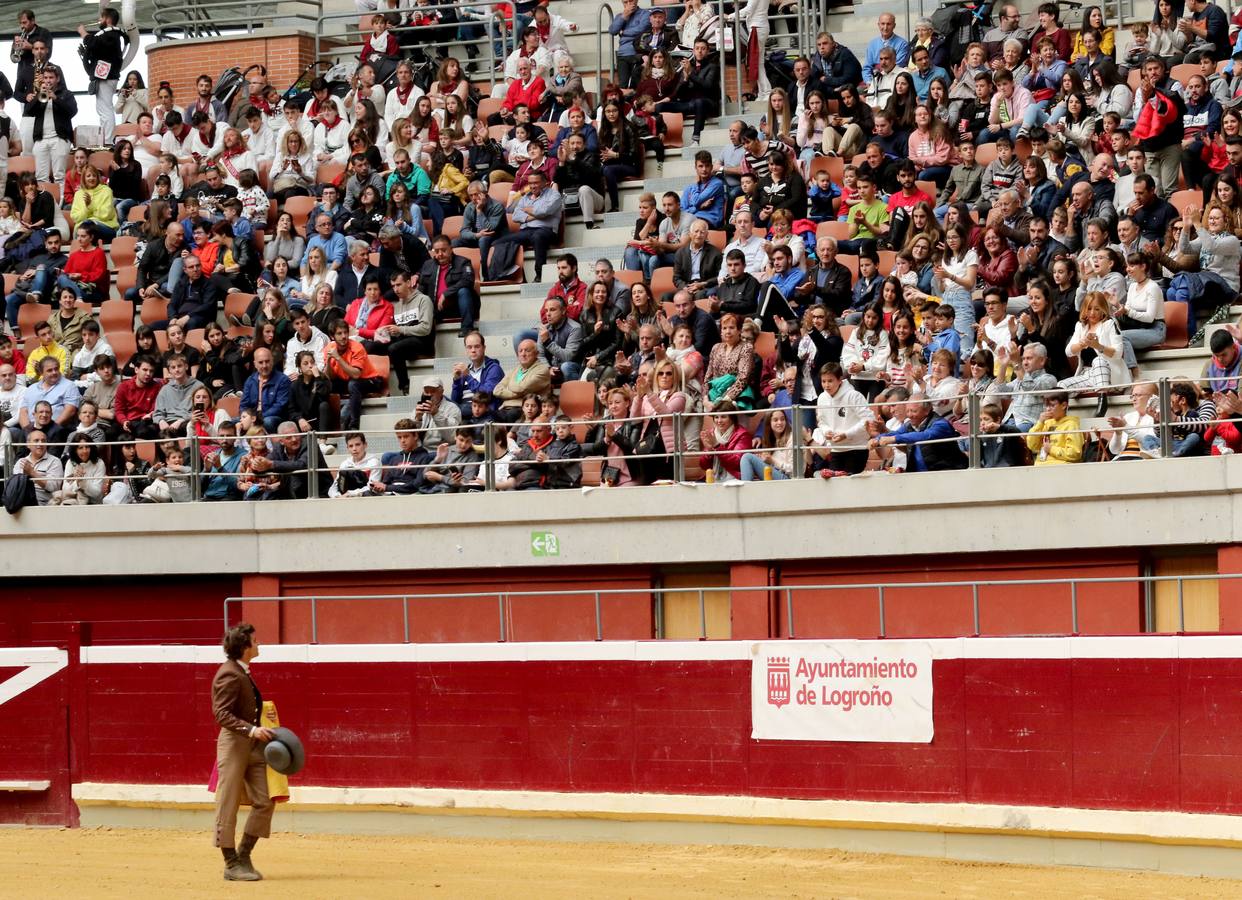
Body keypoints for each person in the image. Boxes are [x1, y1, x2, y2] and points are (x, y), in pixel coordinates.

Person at [211, 622, 276, 882]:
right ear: (245, 647)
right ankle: (230, 863)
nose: (259, 644)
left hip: (252, 744)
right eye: (256, 641)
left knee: (265, 800)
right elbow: (221, 714)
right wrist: (251, 730)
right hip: (235, 744)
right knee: (228, 804)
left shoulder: (241, 671)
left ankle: (244, 854)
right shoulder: (229, 673)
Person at [325, 318, 384, 430]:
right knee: (325, 385)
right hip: (347, 380)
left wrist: (337, 357)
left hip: (371, 380)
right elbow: (330, 377)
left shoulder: (357, 347)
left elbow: (356, 374)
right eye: (339, 333)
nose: (344, 336)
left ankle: (354, 425)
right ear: (332, 337)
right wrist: (328, 361)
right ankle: (328, 427)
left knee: (353, 384)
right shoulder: (329, 348)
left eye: (345, 332)